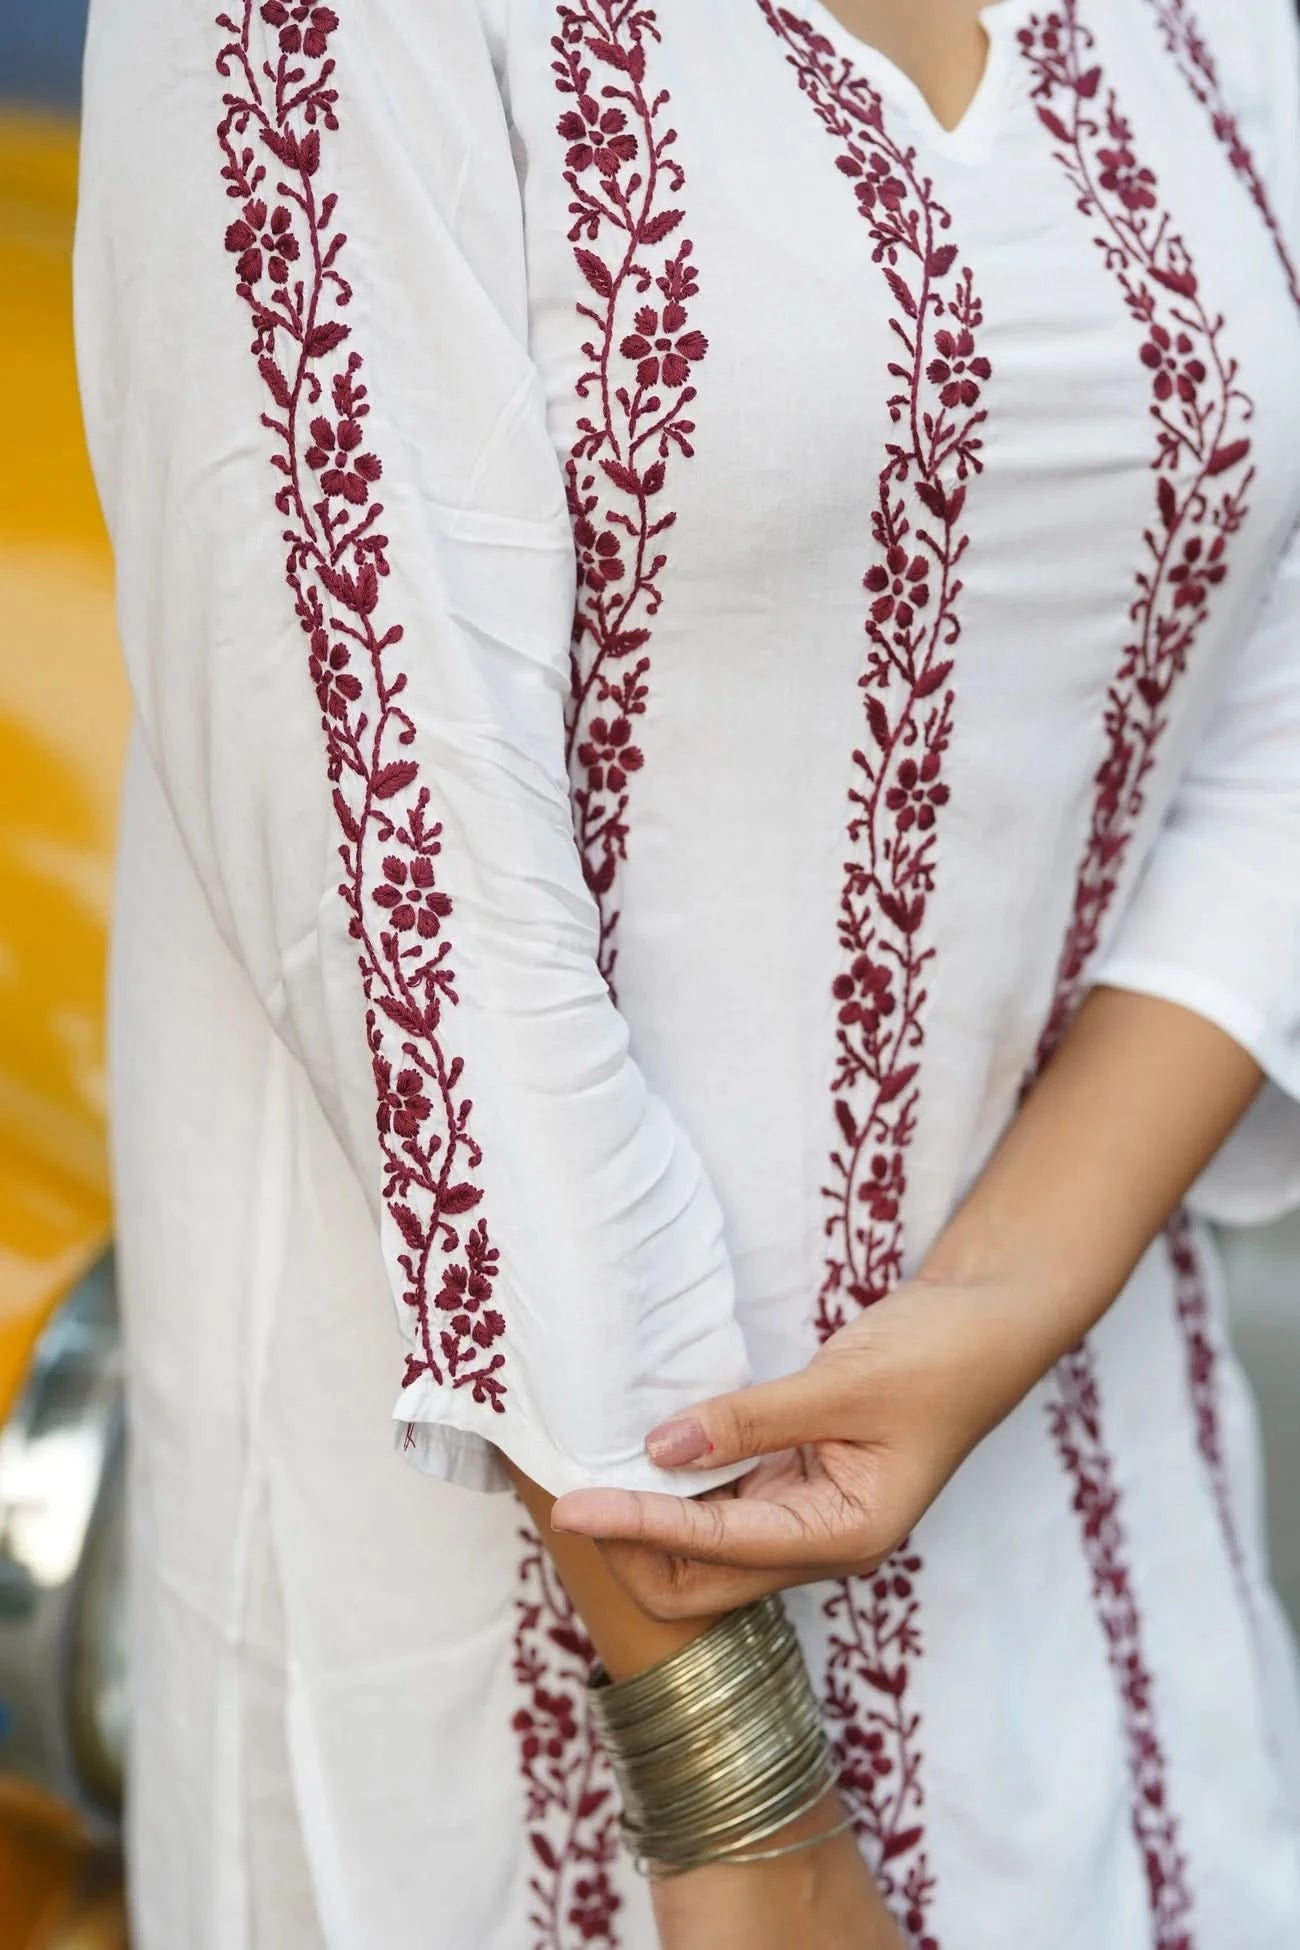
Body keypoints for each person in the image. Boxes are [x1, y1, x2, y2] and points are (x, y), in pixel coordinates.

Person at [73, 0, 1300, 1943]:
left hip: (1077, 1496)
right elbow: (405, 858)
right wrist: (745, 1810)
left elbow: (1276, 698)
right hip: (535, 1649)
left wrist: (1000, 1299)